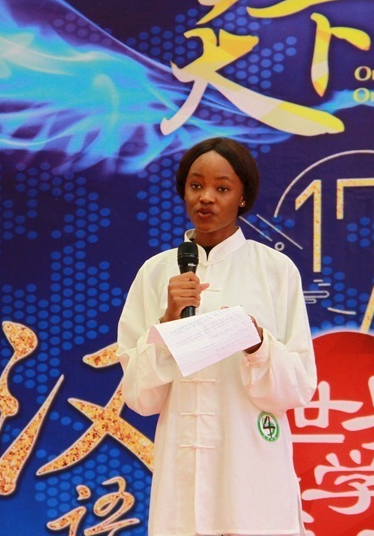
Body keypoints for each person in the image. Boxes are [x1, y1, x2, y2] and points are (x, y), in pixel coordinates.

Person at [117, 137, 317, 536]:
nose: (206, 198)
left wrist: (257, 344)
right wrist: (168, 322)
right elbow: (140, 398)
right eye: (196, 185)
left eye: (222, 188)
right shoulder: (156, 273)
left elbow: (297, 388)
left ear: (243, 197)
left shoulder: (274, 270)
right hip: (181, 474)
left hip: (251, 470)